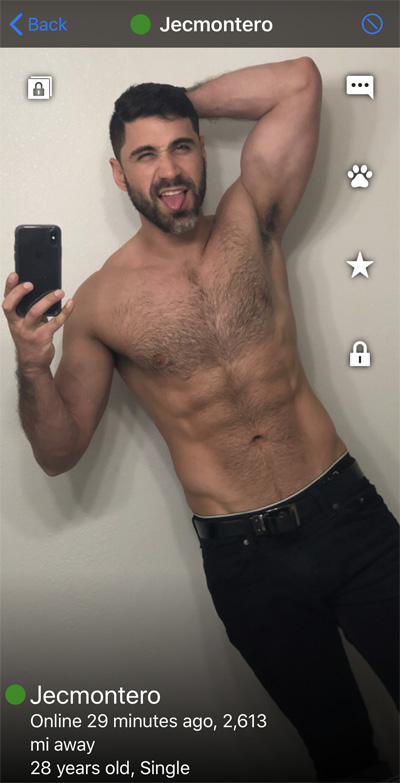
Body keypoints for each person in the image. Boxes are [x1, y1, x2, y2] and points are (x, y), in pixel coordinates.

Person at [3, 59, 398, 782]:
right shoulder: (100, 302)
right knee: (345, 758)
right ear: (119, 174)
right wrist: (32, 365)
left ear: (201, 149)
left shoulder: (254, 217)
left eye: (181, 145)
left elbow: (300, 82)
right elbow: (59, 454)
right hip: (246, 563)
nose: (169, 170)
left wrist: (176, 101)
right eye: (145, 155)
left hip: (348, 518)